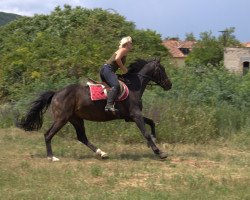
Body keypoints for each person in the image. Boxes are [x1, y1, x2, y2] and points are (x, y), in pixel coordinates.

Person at [100, 36, 132, 112]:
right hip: (108, 70)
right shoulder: (124, 49)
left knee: (112, 86)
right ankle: (109, 106)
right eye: (131, 43)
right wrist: (123, 68)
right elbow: (117, 59)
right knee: (116, 85)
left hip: (105, 70)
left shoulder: (124, 51)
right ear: (127, 44)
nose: (132, 45)